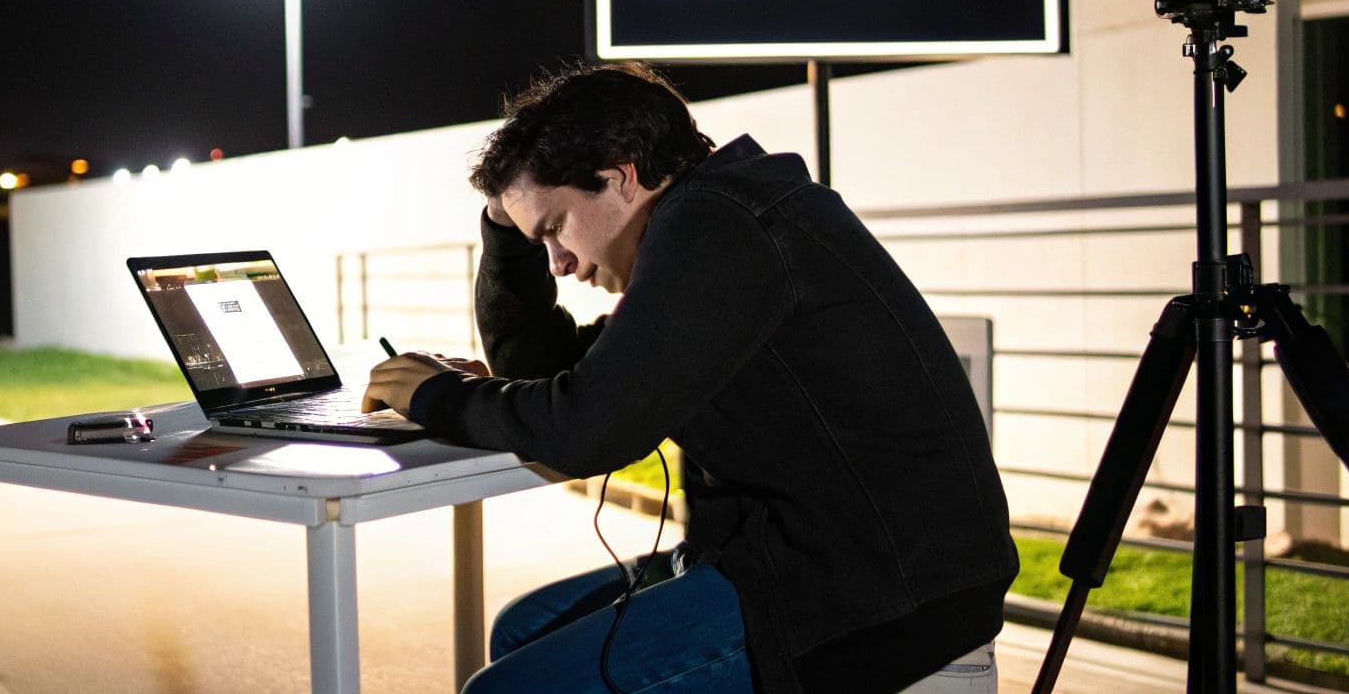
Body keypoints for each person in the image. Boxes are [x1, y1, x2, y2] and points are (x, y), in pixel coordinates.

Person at [363, 61, 1017, 693]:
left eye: (556, 229)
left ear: (620, 177)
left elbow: (590, 428)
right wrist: (506, 230)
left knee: (509, 688)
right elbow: (537, 367)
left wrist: (433, 395)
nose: (559, 263)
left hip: (877, 590)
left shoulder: (723, 226)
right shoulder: (715, 220)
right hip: (817, 556)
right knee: (523, 629)